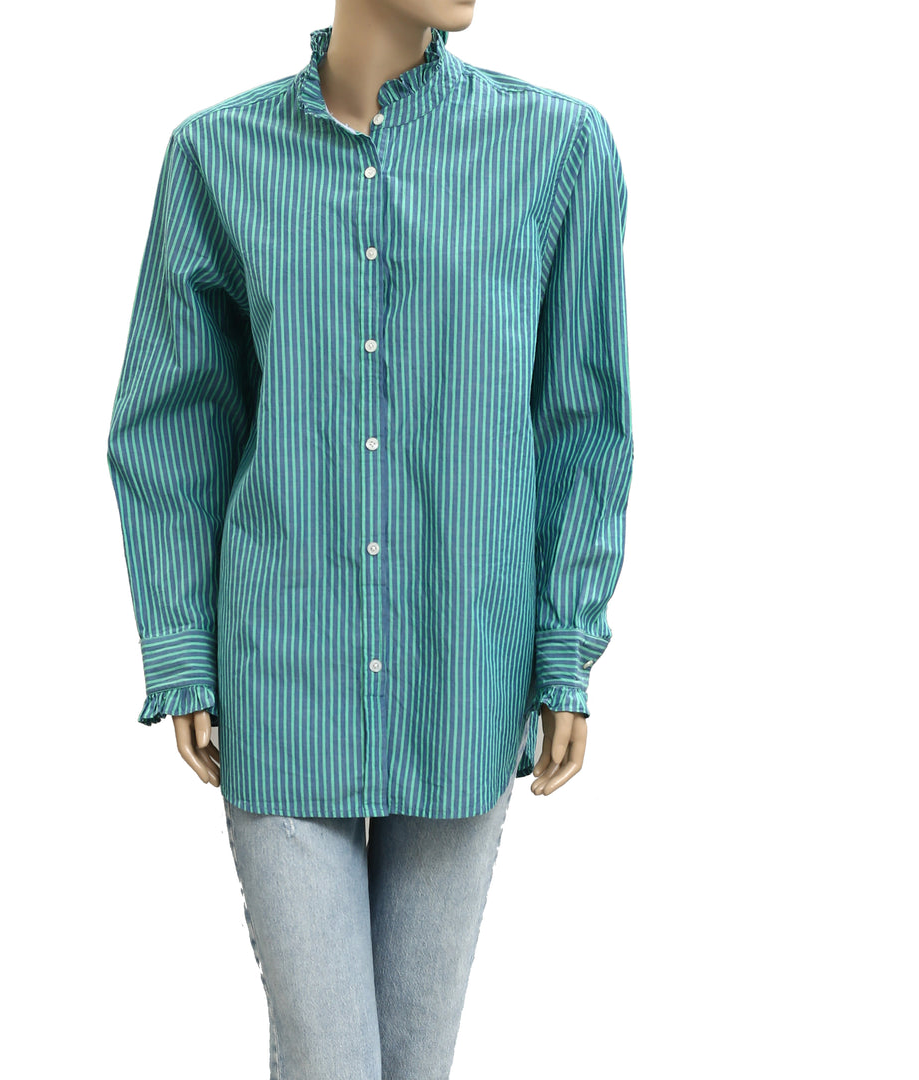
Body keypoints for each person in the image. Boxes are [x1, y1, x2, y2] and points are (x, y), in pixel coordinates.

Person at [106, 1, 632, 1076]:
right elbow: (171, 424)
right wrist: (181, 649)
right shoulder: (215, 157)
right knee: (330, 1061)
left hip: (464, 682)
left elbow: (583, 422)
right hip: (280, 681)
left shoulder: (559, 150)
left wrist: (565, 648)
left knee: (415, 1064)